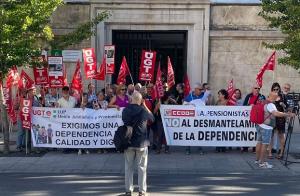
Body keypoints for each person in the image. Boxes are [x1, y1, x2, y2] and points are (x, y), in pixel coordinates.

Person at [122, 91, 154, 196]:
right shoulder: (143, 110)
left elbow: (125, 122)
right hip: (141, 143)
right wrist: (144, 106)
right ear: (140, 100)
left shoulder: (125, 110)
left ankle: (128, 190)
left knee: (128, 167)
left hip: (129, 142)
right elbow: (152, 118)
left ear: (131, 99)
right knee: (142, 168)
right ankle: (142, 191)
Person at [255, 91, 295, 169]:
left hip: (259, 125)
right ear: (273, 97)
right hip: (266, 127)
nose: (277, 98)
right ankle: (263, 163)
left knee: (259, 142)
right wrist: (288, 115)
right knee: (265, 144)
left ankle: (257, 160)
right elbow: (276, 114)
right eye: (276, 96)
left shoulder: (263, 101)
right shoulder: (271, 104)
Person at [242, 84, 266, 153]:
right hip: (248, 117)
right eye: (255, 88)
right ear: (252, 89)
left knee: (256, 132)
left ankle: (255, 147)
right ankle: (245, 147)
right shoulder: (248, 96)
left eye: (258, 88)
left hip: (258, 117)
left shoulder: (262, 97)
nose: (257, 89)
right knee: (247, 132)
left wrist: (256, 106)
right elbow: (244, 105)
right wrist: (249, 105)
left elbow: (264, 106)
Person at [183, 83, 205, 155]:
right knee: (189, 134)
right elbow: (183, 105)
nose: (201, 91)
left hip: (199, 119)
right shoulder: (189, 97)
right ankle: (187, 148)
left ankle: (200, 148)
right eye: (200, 89)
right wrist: (190, 105)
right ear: (195, 89)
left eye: (201, 89)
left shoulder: (203, 96)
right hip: (190, 119)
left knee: (199, 134)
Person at [268, 83, 287, 159]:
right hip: (272, 118)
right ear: (272, 89)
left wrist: (283, 105)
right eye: (274, 89)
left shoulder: (283, 96)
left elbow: (287, 107)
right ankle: (269, 153)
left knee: (281, 135)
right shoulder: (270, 96)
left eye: (277, 89)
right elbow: (267, 106)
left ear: (279, 89)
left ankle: (281, 153)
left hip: (280, 119)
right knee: (271, 136)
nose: (276, 90)